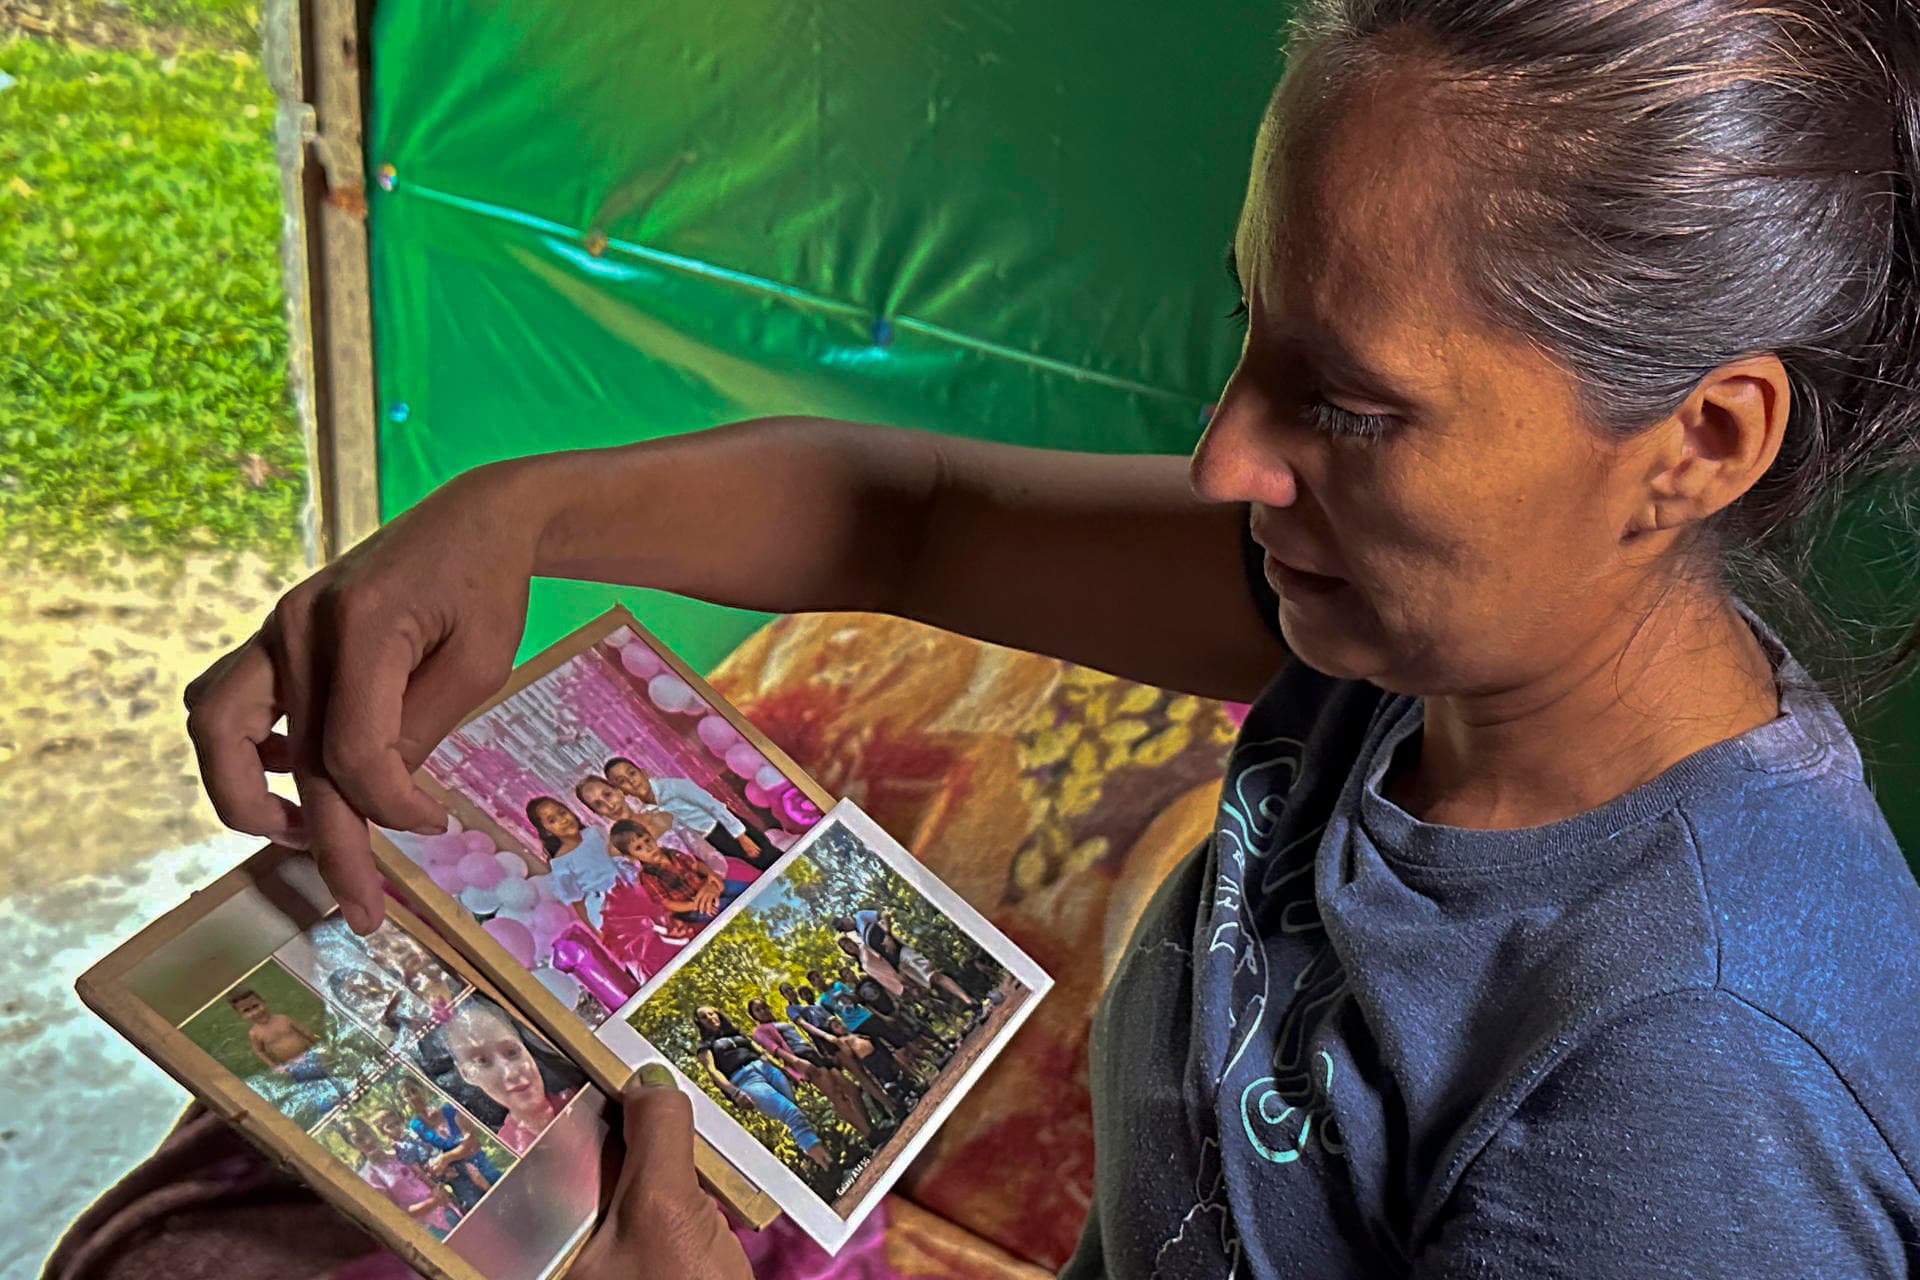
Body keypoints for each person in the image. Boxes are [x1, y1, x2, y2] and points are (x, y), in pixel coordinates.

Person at [181, 1, 1920, 1273]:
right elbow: (908, 517)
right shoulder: (1414, 648)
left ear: (1701, 442)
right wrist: (512, 516)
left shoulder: (1695, 1088)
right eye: (1250, 327)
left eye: (1350, 404)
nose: (1228, 461)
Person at [689, 1006, 832, 1170]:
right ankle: (828, 1165)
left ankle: (824, 1158)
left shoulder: (735, 1033)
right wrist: (735, 1093)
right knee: (791, 1113)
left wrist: (785, 1071)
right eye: (704, 1017)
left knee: (795, 1113)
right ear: (699, 1023)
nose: (710, 1017)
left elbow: (759, 1052)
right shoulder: (705, 1045)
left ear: (718, 1013)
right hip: (745, 1079)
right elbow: (712, 1071)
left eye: (711, 1013)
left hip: (767, 1069)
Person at [437, 996, 579, 1156]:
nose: (510, 1072)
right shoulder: (510, 1148)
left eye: (512, 1052)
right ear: (467, 1075)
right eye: (482, 1061)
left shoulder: (579, 1096)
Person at [604, 756, 780, 872]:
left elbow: (713, 806)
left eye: (632, 773)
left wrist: (742, 837)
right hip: (707, 846)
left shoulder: (674, 786)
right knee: (751, 871)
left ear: (643, 772)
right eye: (622, 782)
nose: (631, 781)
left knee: (769, 859)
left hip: (725, 828)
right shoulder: (647, 813)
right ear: (621, 791)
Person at [744, 996, 880, 1139]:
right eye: (758, 1010)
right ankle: (870, 1134)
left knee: (852, 1089)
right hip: (802, 1058)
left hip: (813, 1054)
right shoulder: (759, 1031)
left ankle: (870, 1128)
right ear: (754, 1016)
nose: (763, 1011)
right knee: (837, 1096)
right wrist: (798, 1062)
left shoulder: (777, 1022)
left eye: (764, 1007)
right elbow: (775, 1049)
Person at [834, 909, 993, 1018]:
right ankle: (968, 1007)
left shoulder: (861, 916)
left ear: (844, 918)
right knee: (928, 984)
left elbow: (885, 914)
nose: (845, 927)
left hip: (902, 951)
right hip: (897, 964)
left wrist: (888, 935)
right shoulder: (859, 935)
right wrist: (896, 972)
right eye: (842, 929)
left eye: (843, 924)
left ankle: (971, 1002)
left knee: (934, 975)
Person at [336, 1114, 460, 1236]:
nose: (368, 1140)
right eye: (359, 1139)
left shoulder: (398, 1153)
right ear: (353, 1146)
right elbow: (398, 1215)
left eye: (367, 1132)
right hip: (432, 1230)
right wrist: (433, 1202)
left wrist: (443, 1193)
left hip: (448, 1210)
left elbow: (424, 1178)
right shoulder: (370, 1177)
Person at [608, 818, 749, 923]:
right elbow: (668, 903)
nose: (648, 848)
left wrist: (710, 874)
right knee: (727, 908)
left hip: (702, 885)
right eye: (639, 848)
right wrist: (694, 905)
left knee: (740, 888)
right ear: (631, 857)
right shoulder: (648, 877)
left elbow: (695, 865)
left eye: (647, 840)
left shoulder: (671, 853)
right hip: (690, 906)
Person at [227, 988, 351, 1103]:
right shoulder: (255, 1033)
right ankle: (326, 1103)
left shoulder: (283, 1019)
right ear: (241, 1015)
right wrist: (275, 1067)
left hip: (309, 1055)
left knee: (327, 1074)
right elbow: (259, 1051)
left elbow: (303, 1031)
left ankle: (345, 1091)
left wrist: (318, 1043)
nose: (255, 1012)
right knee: (309, 1085)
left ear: (264, 1002)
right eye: (247, 1011)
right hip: (293, 1066)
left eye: (256, 1006)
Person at [397, 1074, 499, 1212]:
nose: (413, 1097)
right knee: (482, 1210)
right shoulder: (415, 1127)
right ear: (404, 1102)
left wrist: (446, 1158)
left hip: (480, 1164)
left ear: (423, 1088)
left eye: (414, 1091)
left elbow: (472, 1143)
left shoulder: (450, 1107)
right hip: (458, 1179)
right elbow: (427, 1159)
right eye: (407, 1096)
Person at [526, 796, 630, 929]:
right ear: (546, 831)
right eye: (552, 820)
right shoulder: (560, 863)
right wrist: (598, 934)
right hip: (607, 907)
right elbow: (578, 903)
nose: (563, 820)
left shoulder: (595, 832)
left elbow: (619, 855)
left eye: (562, 812)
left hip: (628, 884)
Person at [327, 968, 435, 1049]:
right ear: (355, 1012)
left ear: (375, 978)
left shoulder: (421, 991)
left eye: (365, 983)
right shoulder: (393, 1044)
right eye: (356, 998)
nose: (366, 993)